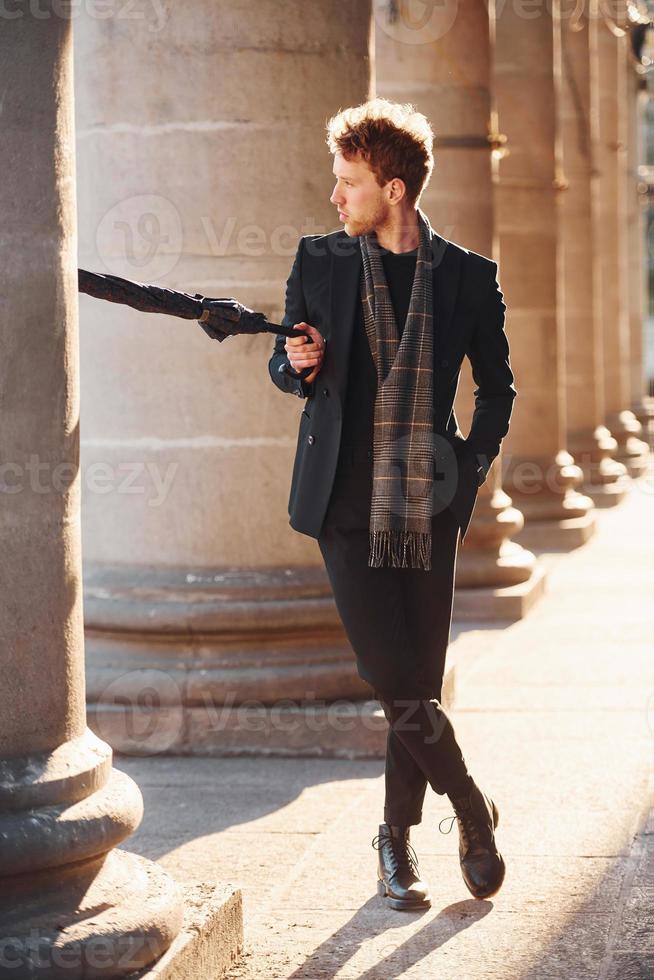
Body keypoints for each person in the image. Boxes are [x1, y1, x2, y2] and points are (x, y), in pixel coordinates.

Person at [268, 98, 516, 911]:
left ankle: (396, 846)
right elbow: (284, 362)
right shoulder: (321, 259)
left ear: (395, 188)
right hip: (342, 500)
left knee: (414, 679)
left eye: (349, 182)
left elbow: (498, 388)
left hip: (425, 503)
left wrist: (470, 469)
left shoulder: (468, 277)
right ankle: (472, 810)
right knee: (389, 670)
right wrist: (297, 362)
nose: (335, 196)